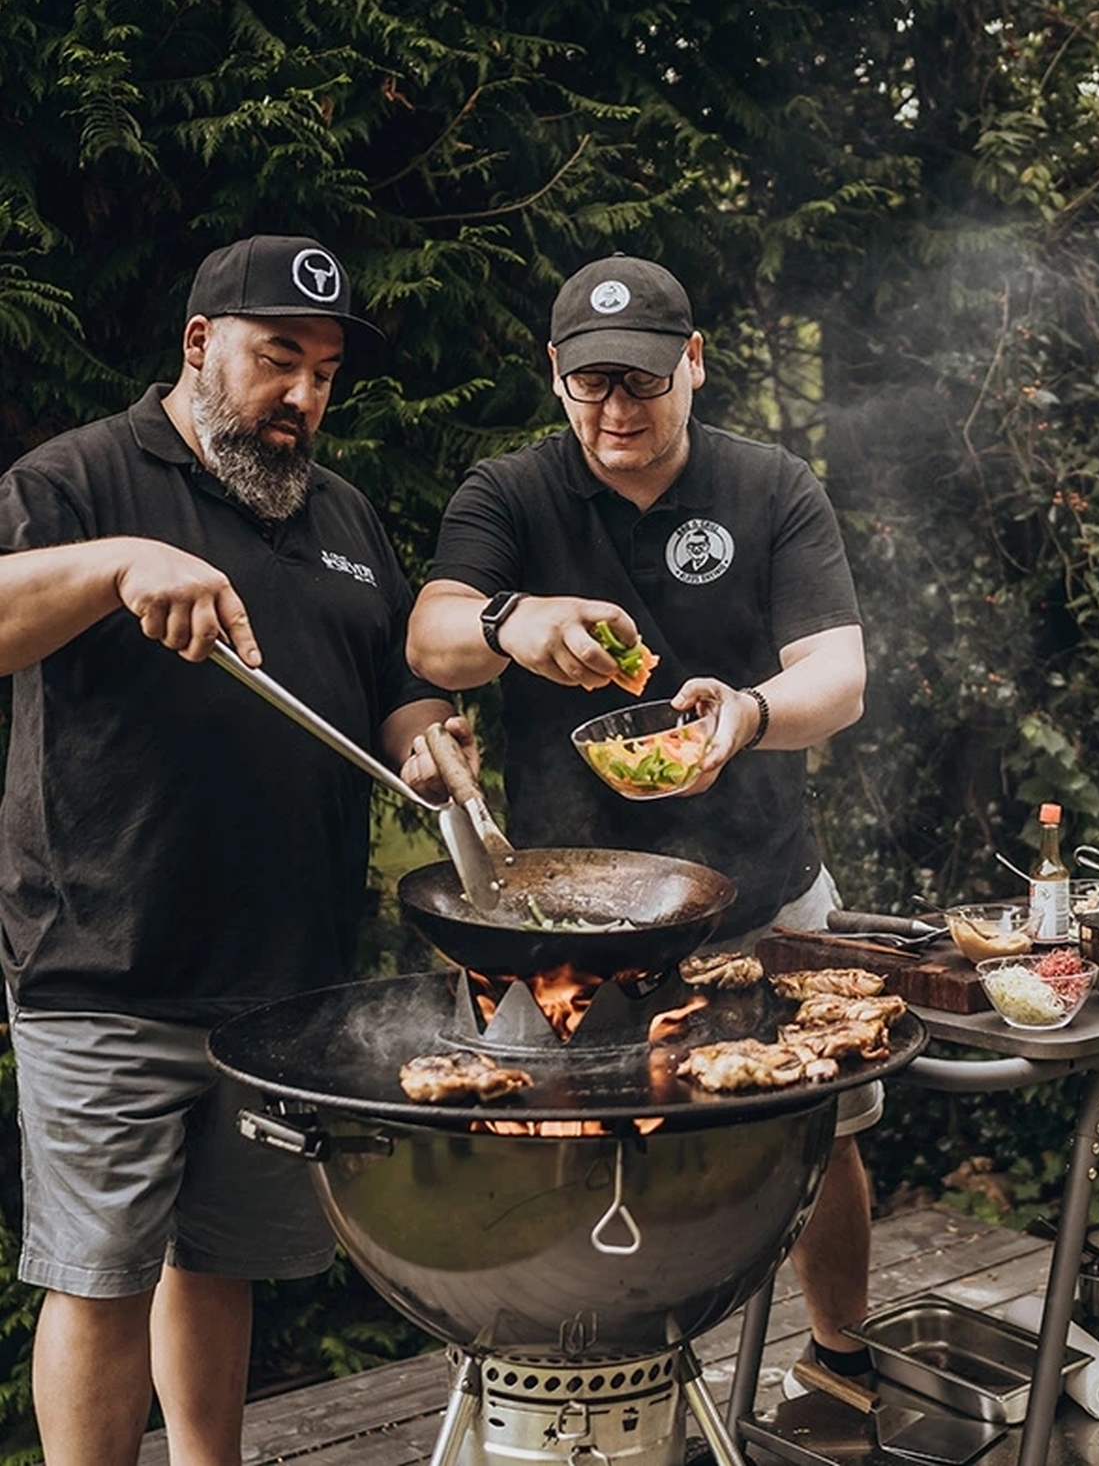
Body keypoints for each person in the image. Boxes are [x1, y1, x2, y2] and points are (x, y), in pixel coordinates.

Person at [0, 234, 471, 1466]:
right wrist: (117, 564)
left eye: (323, 373)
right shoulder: (82, 478)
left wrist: (428, 746)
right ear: (199, 344)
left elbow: (396, 692)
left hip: (285, 984)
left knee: (219, 1265)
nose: (303, 398)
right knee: (98, 1275)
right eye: (279, 360)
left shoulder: (344, 513)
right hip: (109, 962)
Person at [406, 253, 878, 1391]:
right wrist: (514, 623)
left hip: (765, 887)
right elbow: (432, 636)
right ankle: (586, 1370)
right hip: (575, 911)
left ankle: (839, 1357)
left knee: (828, 1133)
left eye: (643, 381)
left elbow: (842, 676)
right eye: (590, 383)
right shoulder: (509, 494)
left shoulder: (771, 488)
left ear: (695, 365)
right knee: (573, 1139)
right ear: (556, 377)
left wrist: (753, 713)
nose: (616, 409)